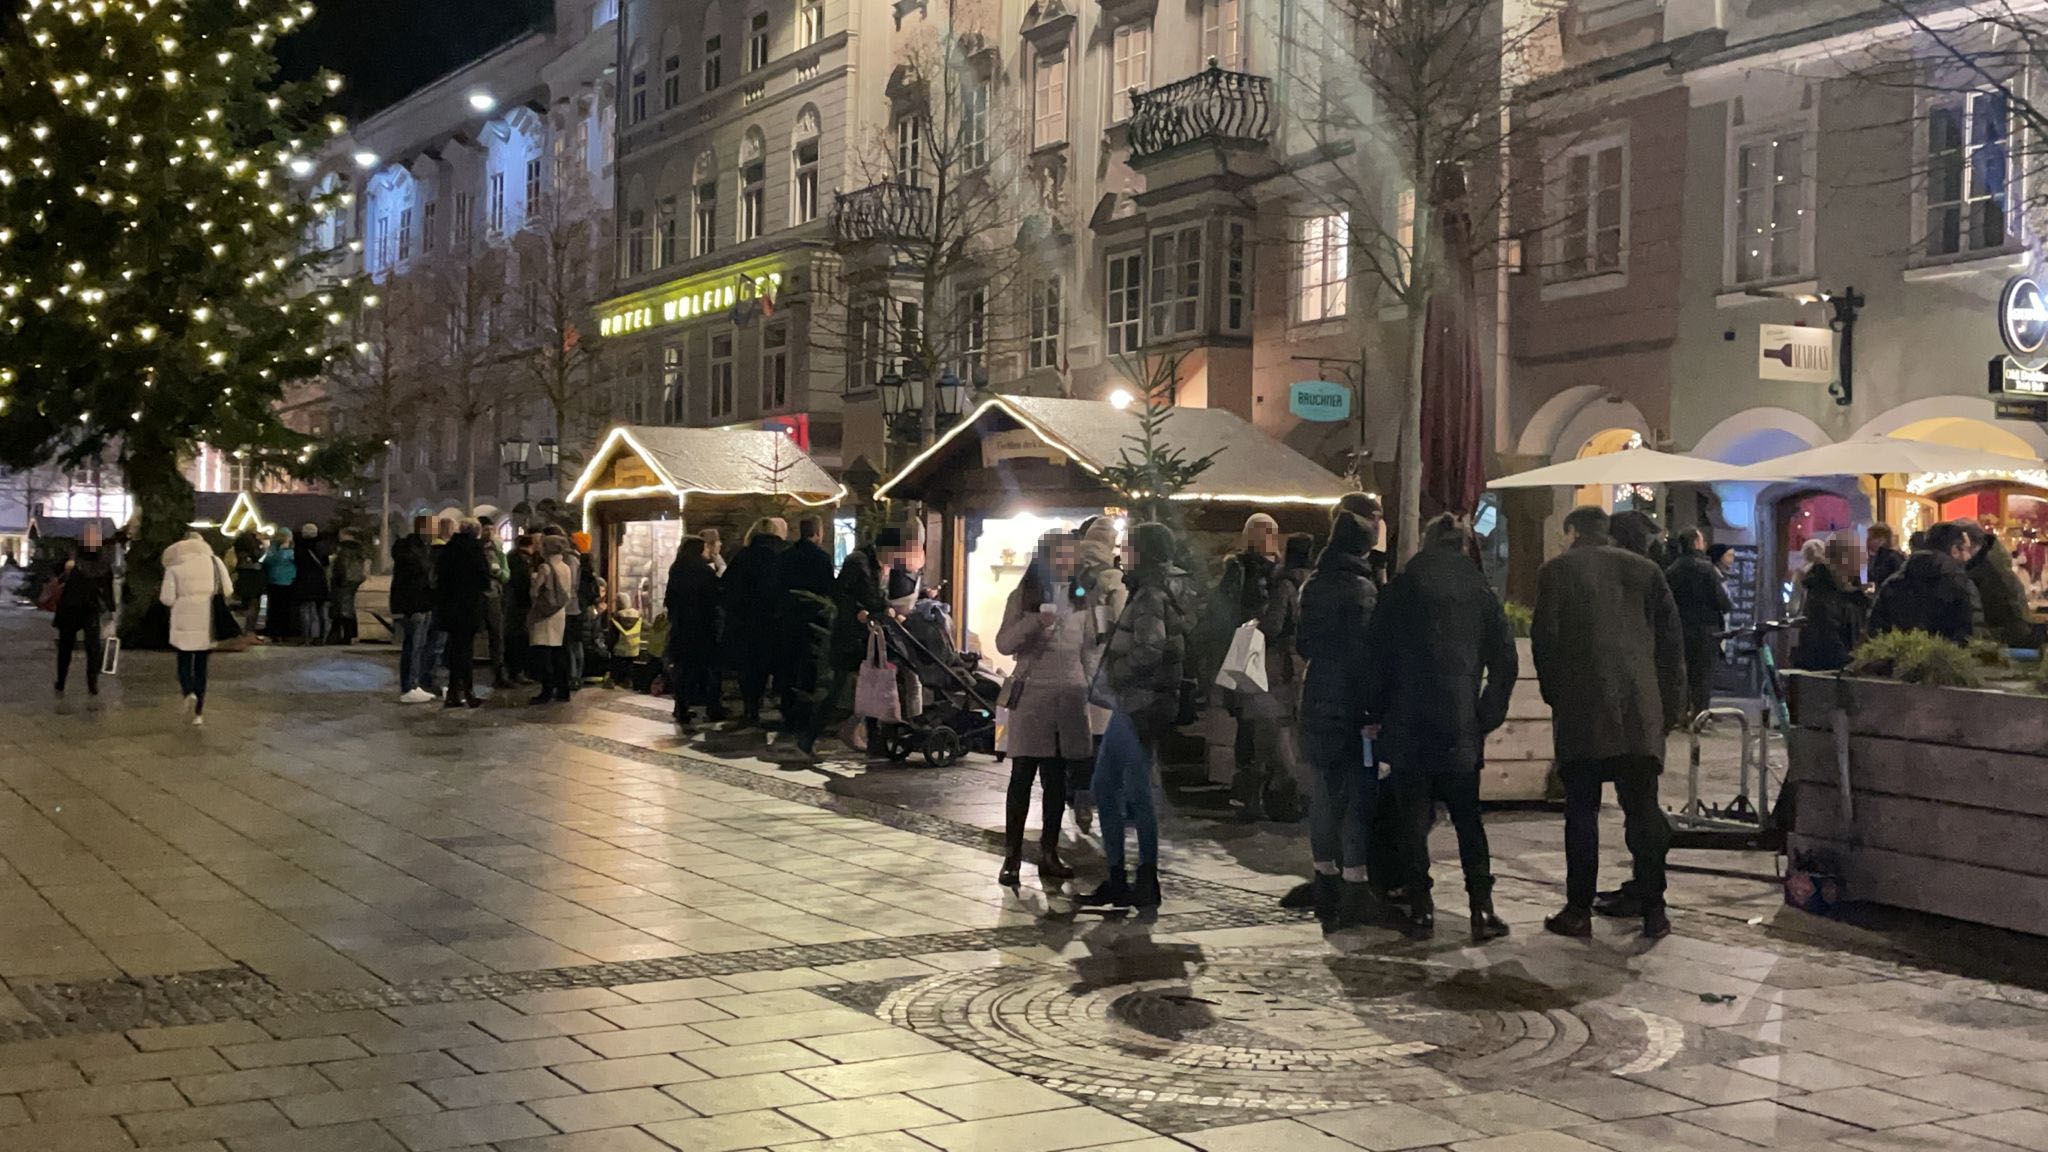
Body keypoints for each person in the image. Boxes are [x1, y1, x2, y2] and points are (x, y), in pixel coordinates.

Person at [1532, 505, 1687, 941]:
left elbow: (1546, 643)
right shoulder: (1647, 571)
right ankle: (1654, 908)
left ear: (1573, 531)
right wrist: (1669, 709)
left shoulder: (1556, 572)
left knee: (1581, 810)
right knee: (1642, 809)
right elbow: (1671, 648)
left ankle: (1578, 909)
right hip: (1640, 713)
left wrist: (1556, 697)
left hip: (1584, 710)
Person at [1366, 516, 1517, 941]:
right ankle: (1481, 908)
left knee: (1413, 818)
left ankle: (1420, 906)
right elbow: (1505, 660)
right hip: (1459, 723)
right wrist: (1486, 714)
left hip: (1407, 720)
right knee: (1469, 818)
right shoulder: (1480, 593)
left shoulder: (1401, 587)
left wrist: (1374, 713)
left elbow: (1376, 655)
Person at [1081, 520, 1196, 911]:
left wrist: (1117, 672)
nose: (1122, 552)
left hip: (1139, 702)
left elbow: (1151, 647)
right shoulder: (1159, 589)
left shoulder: (1149, 594)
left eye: (1129, 546)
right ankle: (1129, 877)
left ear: (1144, 552)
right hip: (1142, 703)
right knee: (1115, 786)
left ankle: (1138, 878)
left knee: (1126, 788)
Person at [1294, 504, 1380, 928]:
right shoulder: (1361, 588)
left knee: (1324, 793)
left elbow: (1304, 644)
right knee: (1355, 797)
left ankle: (1324, 879)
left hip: (1317, 696)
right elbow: (1367, 651)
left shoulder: (1314, 583)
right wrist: (1372, 706)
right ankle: (1354, 887)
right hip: (1352, 703)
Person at [995, 531, 1091, 890]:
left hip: (1069, 694)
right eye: (1060, 555)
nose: (1067, 562)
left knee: (1056, 778)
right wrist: (1035, 621)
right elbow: (1004, 643)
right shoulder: (1024, 596)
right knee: (1022, 775)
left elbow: (1090, 646)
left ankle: (1049, 853)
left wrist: (1092, 688)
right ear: (1045, 559)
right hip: (1033, 695)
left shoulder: (1082, 596)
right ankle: (1012, 856)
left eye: (1071, 555)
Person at [1217, 513, 1292, 823]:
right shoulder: (1246, 570)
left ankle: (1257, 795)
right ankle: (1254, 796)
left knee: (1259, 725)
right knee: (1254, 725)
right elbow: (1229, 609)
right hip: (1250, 651)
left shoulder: (1270, 572)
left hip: (1259, 655)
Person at [801, 543, 889, 760]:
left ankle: (873, 742)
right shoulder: (858, 562)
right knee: (838, 688)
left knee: (872, 685)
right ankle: (809, 738)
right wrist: (858, 612)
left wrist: (884, 608)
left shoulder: (877, 567)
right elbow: (840, 593)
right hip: (850, 636)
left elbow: (874, 598)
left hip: (868, 635)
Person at [1073, 515, 1128, 840]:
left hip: (1071, 664)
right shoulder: (1112, 579)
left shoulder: (1072, 575)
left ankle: (1077, 791)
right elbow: (1120, 623)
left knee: (1078, 737)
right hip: (1103, 667)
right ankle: (1100, 799)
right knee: (1101, 738)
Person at [159, 532, 233, 725]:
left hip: (183, 618)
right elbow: (228, 589)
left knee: (183, 659)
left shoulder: (174, 565)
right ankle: (199, 711)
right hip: (207, 618)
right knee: (201, 664)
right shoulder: (214, 561)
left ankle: (187, 691)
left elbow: (166, 598)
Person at [722, 518, 788, 726]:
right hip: (774, 623)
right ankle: (778, 706)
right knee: (776, 665)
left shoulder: (743, 556)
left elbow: (727, 588)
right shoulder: (782, 555)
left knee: (749, 669)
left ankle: (751, 707)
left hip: (745, 624)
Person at [774, 517, 838, 732]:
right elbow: (829, 589)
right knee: (809, 667)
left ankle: (788, 710)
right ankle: (804, 714)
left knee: (788, 667)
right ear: (817, 533)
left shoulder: (785, 557)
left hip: (788, 620)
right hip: (814, 620)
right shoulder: (821, 558)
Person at [1868, 521, 1975, 645]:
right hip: (1948, 661)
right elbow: (1971, 635)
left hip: (1899, 661)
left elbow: (1876, 632)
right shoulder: (1960, 584)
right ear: (1954, 550)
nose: (1968, 556)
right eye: (1967, 549)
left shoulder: (1894, 582)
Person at [1664, 531, 1732, 722]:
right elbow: (1723, 602)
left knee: (1682, 671)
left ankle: (1680, 713)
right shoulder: (1707, 569)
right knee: (1703, 675)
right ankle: (1700, 715)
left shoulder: (1672, 569)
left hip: (1681, 627)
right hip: (1707, 628)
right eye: (1702, 540)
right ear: (1696, 543)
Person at [433, 520, 493, 709]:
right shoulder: (475, 551)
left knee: (454, 650)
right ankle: (467, 691)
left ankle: (453, 692)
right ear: (476, 533)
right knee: (465, 652)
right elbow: (484, 580)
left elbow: (439, 577)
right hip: (469, 607)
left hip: (449, 608)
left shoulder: (449, 549)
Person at [665, 537, 724, 727]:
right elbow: (715, 597)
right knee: (709, 668)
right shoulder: (704, 571)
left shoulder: (676, 569)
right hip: (702, 627)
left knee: (683, 670)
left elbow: (669, 599)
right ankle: (712, 707)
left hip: (681, 627)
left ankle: (681, 707)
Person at [52, 526, 116, 696]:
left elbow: (107, 588)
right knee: (65, 647)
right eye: (89, 537)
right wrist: (65, 567)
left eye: (95, 537)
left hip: (90, 607)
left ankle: (92, 683)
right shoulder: (72, 556)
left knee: (93, 648)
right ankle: (61, 681)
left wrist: (111, 610)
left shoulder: (103, 561)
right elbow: (55, 571)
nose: (92, 540)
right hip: (70, 607)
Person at [1791, 535, 1868, 671]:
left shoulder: (1839, 591)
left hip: (1833, 671)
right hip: (1827, 674)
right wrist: (1851, 662)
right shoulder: (1824, 593)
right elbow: (1828, 639)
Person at [1964, 523, 2042, 648]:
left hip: (2004, 643)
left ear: (1967, 543)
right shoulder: (1996, 563)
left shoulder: (1985, 570)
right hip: (2014, 637)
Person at [389, 516, 437, 703]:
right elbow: (421, 570)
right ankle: (408, 686)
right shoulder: (409, 548)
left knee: (420, 645)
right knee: (413, 646)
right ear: (423, 528)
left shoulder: (423, 548)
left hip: (423, 602)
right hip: (413, 603)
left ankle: (415, 684)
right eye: (432, 527)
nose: (435, 531)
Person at [529, 533, 576, 703]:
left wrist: (533, 582)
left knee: (544, 652)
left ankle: (546, 690)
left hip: (544, 614)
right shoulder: (566, 567)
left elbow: (534, 592)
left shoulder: (545, 567)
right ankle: (563, 689)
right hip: (559, 612)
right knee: (558, 652)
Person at [478, 516, 509, 682]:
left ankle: (499, 672)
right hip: (479, 595)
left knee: (497, 635)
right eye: (486, 529)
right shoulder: (476, 548)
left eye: (492, 529)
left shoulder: (498, 550)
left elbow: (505, 572)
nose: (489, 532)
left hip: (495, 595)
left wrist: (500, 574)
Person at [292, 522, 331, 646]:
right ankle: (321, 637)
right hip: (319, 580)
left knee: (305, 609)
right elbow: (326, 564)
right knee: (320, 610)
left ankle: (306, 638)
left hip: (304, 580)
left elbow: (297, 563)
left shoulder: (299, 547)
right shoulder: (322, 546)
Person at [505, 533, 536, 686]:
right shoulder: (521, 560)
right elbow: (522, 583)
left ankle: (515, 671)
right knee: (519, 637)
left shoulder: (514, 557)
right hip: (520, 605)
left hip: (516, 604)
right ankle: (517, 671)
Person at [329, 529, 369, 644]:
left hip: (343, 580)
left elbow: (341, 565)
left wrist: (336, 578)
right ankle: (350, 635)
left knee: (341, 609)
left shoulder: (342, 548)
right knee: (348, 607)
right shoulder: (359, 548)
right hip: (355, 580)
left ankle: (341, 636)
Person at [260, 529, 298, 642]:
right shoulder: (290, 550)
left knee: (276, 608)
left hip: (275, 581)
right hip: (288, 581)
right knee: (284, 608)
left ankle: (276, 632)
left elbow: (267, 562)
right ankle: (282, 632)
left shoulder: (272, 549)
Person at [232, 528, 267, 634]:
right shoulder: (254, 549)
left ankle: (242, 629)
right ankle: (249, 630)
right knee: (254, 605)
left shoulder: (239, 547)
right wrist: (264, 548)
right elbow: (258, 555)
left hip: (243, 576)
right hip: (254, 577)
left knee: (245, 604)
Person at [1867, 523, 1907, 591]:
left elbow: (1876, 576)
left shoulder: (1891, 558)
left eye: (1870, 538)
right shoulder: (1878, 557)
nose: (1867, 541)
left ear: (1882, 540)